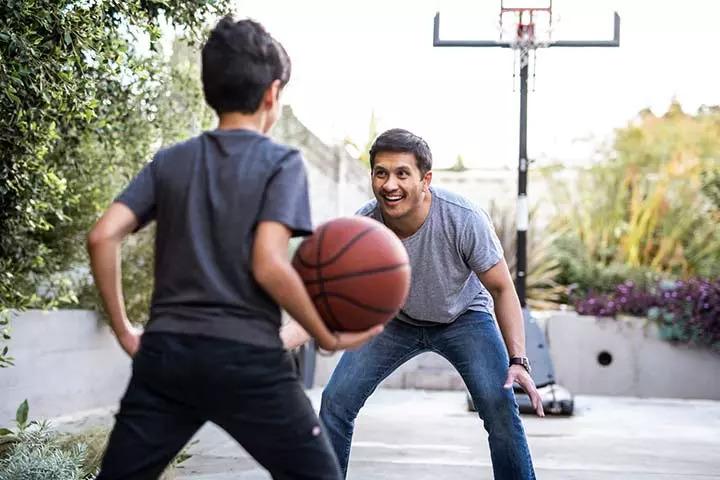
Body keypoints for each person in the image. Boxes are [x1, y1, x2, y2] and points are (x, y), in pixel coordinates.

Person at [87, 16, 382, 480]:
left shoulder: (171, 161)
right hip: (247, 359)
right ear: (272, 94)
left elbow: (102, 235)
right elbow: (268, 264)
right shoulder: (280, 162)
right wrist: (324, 335)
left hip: (168, 357)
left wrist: (125, 330)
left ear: (211, 89)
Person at [282, 128, 544, 479]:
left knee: (499, 406)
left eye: (402, 173)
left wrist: (519, 360)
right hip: (395, 319)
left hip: (463, 316)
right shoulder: (364, 227)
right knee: (336, 401)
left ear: (426, 180)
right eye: (381, 173)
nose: (390, 184)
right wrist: (271, 346)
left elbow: (501, 288)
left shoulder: (463, 218)